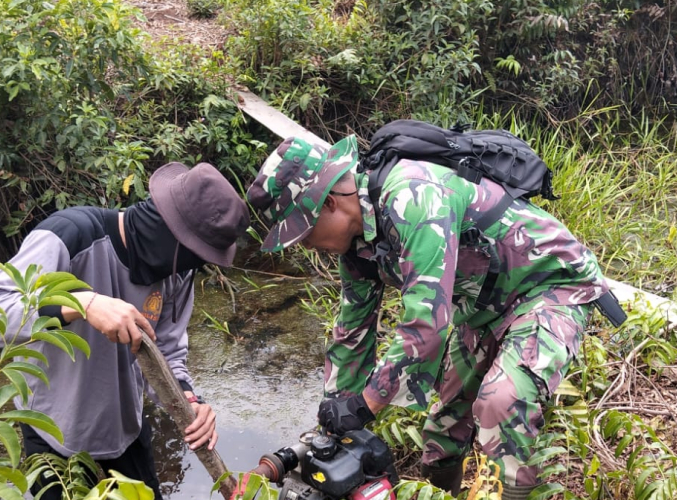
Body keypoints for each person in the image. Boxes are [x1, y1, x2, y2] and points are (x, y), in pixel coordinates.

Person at [247, 135, 616, 499]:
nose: (308, 245)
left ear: (328, 204)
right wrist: (334, 416)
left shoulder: (412, 195)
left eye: (305, 234)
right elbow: (351, 334)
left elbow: (426, 325)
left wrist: (365, 405)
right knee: (442, 432)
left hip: (549, 288)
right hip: (483, 309)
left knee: (500, 403)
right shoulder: (357, 246)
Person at [0, 162, 250, 499]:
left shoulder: (178, 272)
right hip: (54, 436)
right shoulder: (70, 236)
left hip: (125, 432)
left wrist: (189, 400)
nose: (195, 267)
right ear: (170, 231)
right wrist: (81, 304)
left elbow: (169, 353)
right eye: (196, 255)